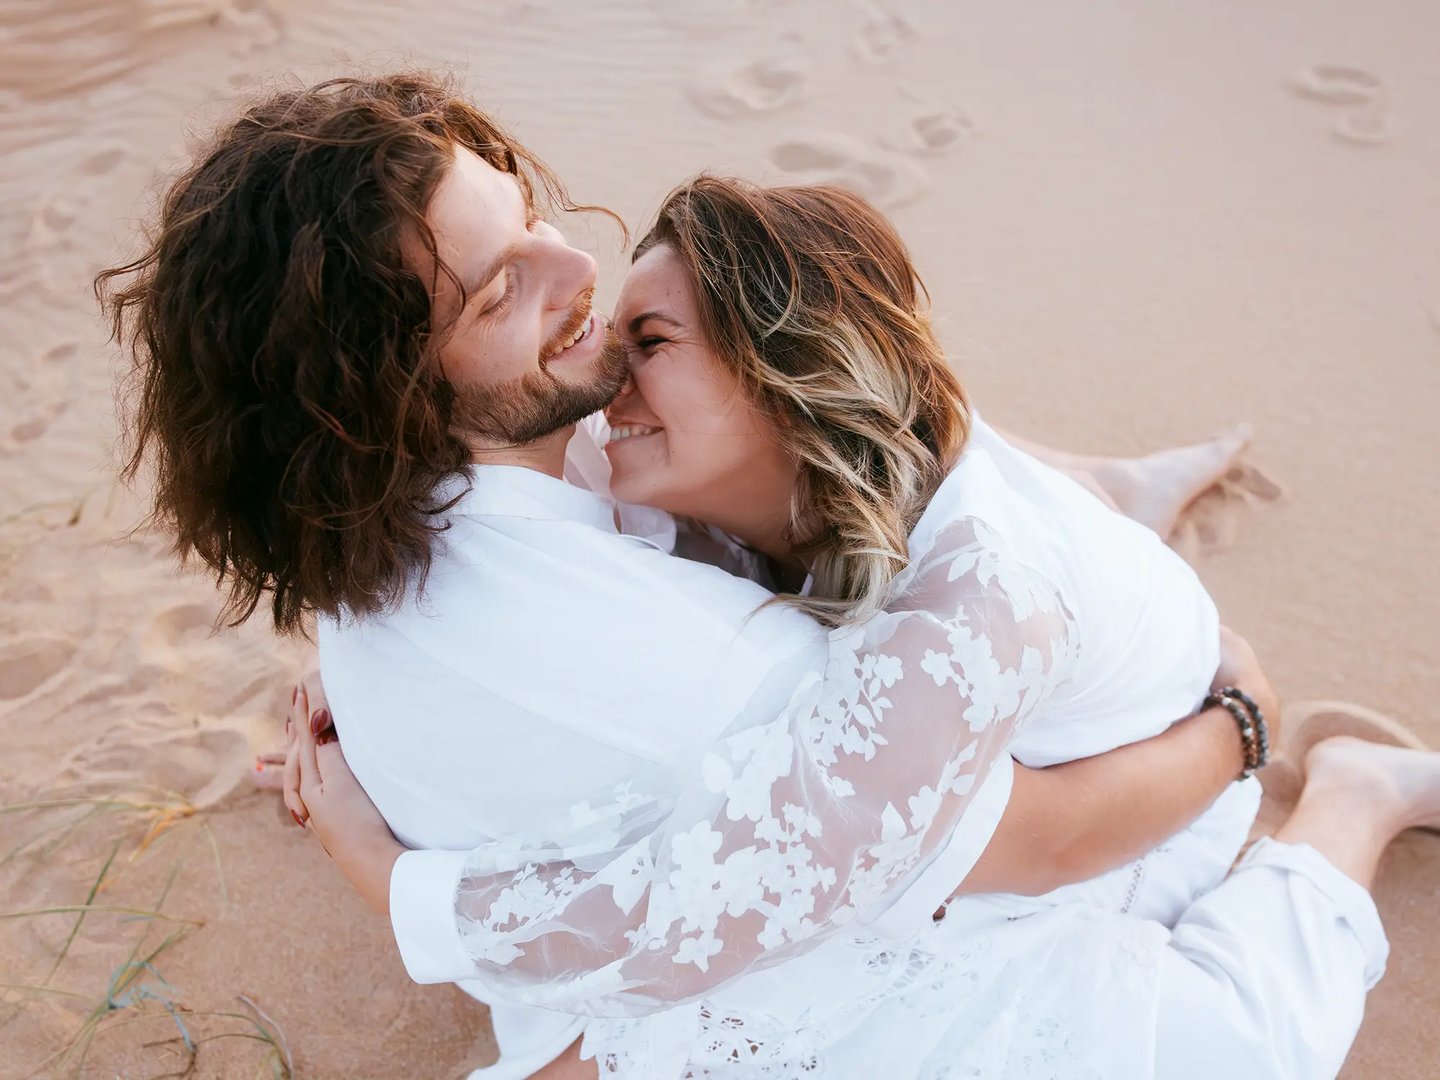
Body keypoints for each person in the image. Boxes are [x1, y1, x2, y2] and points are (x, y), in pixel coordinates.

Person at [96, 72, 1431, 1079]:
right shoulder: (664, 656)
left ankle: (1087, 492)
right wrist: (1242, 723)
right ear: (367, 404)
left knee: (804, 432)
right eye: (504, 289)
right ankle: (1356, 807)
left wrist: (364, 800)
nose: (577, 270)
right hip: (1008, 813)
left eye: (532, 218)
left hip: (989, 713)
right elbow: (1022, 842)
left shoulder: (388, 506)